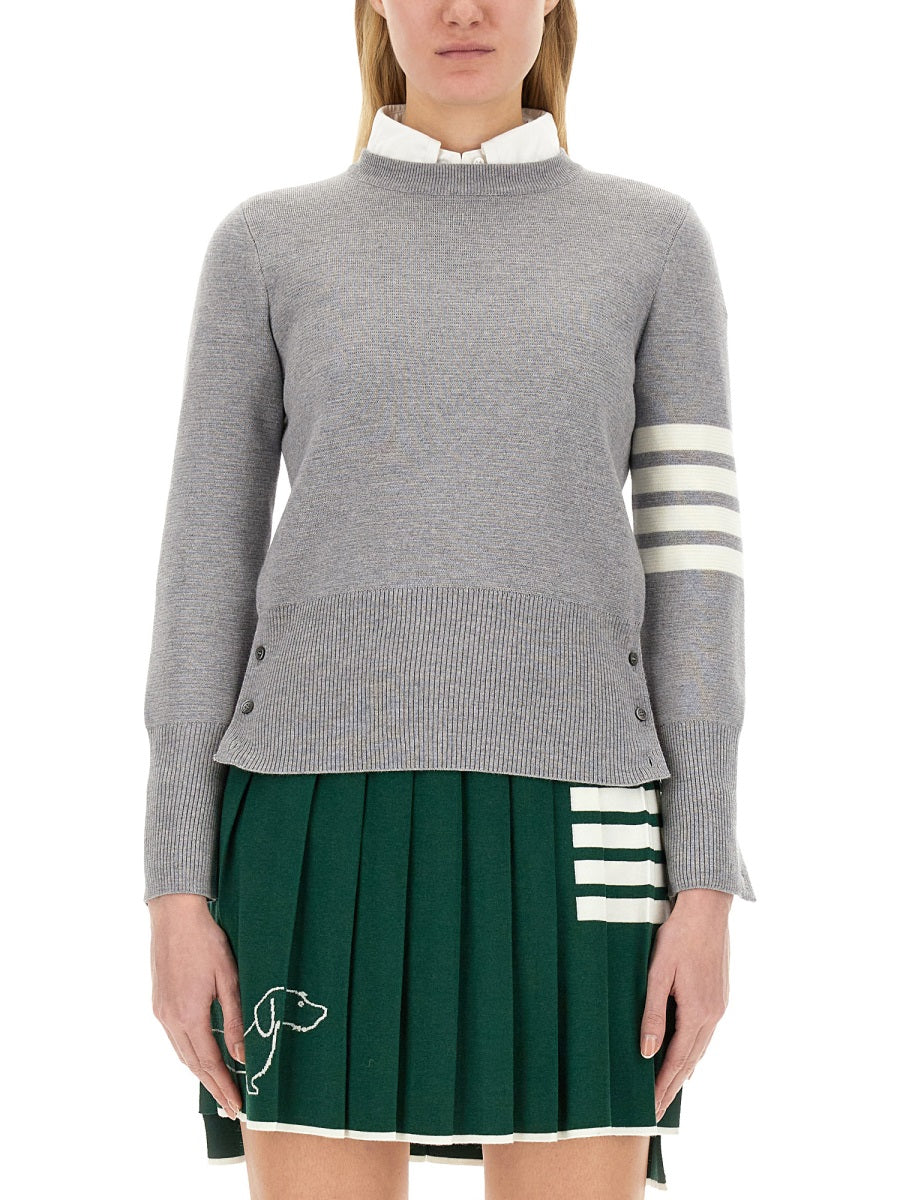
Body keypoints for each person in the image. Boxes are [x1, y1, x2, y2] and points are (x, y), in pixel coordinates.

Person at [143, 2, 757, 1198]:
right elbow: (203, 566)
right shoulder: (268, 243)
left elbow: (698, 566)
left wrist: (705, 878)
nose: (461, 9)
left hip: (586, 813)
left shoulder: (652, 240)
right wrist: (174, 883)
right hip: (310, 822)